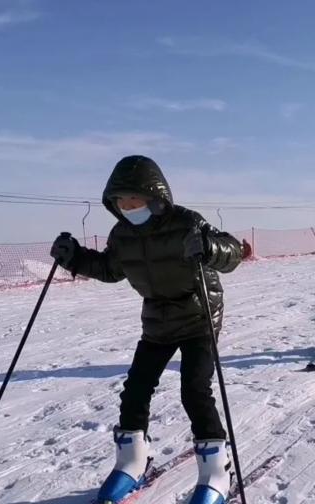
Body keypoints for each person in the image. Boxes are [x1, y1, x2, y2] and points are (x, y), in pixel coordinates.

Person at [49, 155, 244, 503]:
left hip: (199, 315)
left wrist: (210, 247)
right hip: (157, 319)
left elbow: (233, 250)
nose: (128, 207)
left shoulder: (187, 222)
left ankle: (217, 470)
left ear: (155, 197)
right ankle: (132, 462)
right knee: (136, 388)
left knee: (194, 389)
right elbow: (110, 268)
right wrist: (75, 258)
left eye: (134, 199)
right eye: (121, 202)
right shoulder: (122, 234)